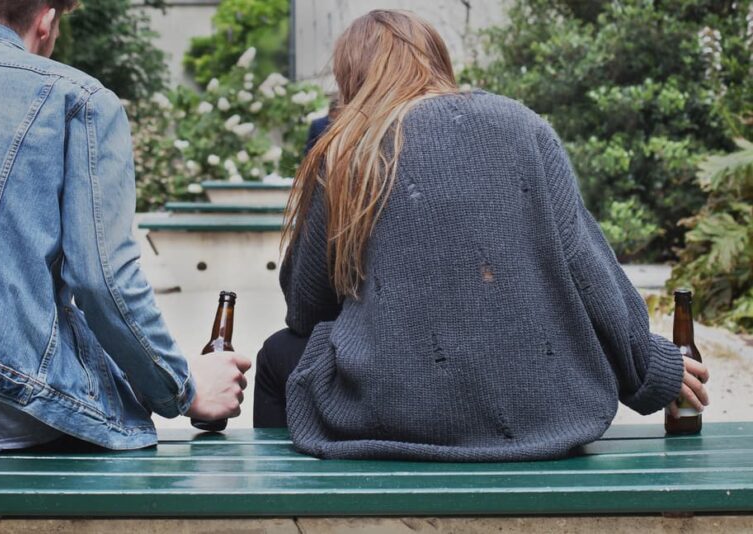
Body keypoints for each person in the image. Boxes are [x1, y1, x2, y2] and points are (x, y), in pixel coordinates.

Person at [253, 10, 710, 461]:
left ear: (351, 77)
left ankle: (288, 507)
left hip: (395, 409)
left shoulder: (347, 151)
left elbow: (306, 309)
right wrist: (650, 369)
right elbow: (588, 272)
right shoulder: (522, 125)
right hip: (543, 415)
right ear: (436, 60)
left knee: (277, 354)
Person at [0, 1, 250, 458]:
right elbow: (102, 281)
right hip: (0, 405)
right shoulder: (76, 99)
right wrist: (184, 387)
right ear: (45, 20)